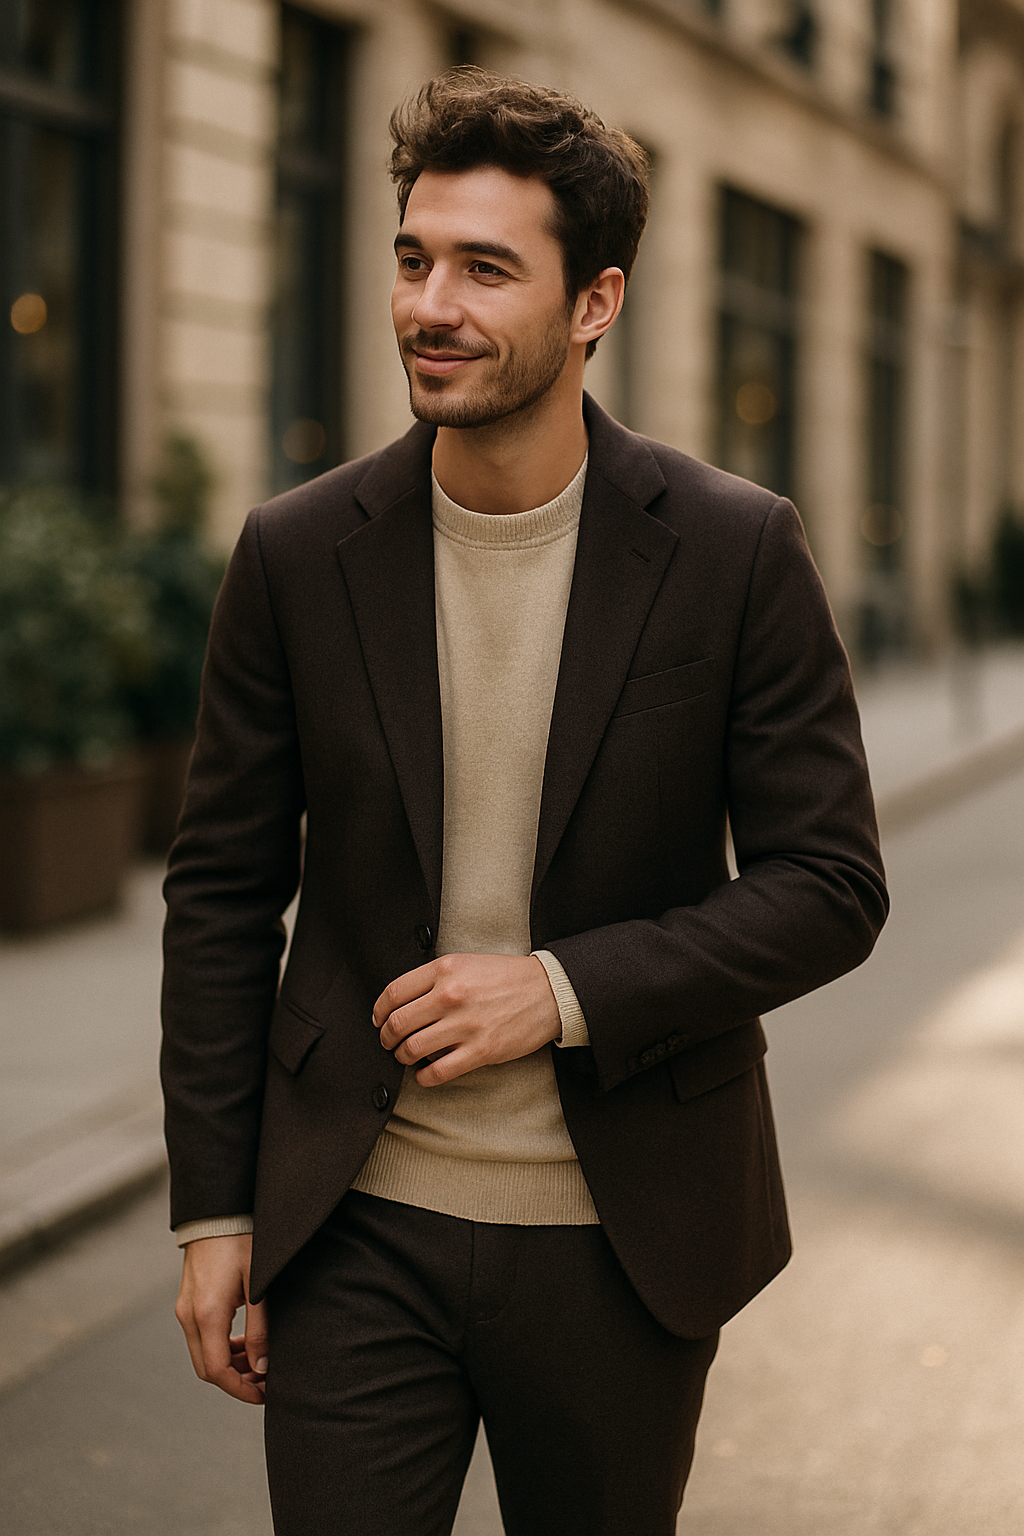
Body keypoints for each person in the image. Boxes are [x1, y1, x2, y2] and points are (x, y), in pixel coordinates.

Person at [163, 68, 888, 1536]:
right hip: (353, 1221)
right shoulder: (297, 555)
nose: (433, 304)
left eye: (488, 269)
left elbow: (830, 884)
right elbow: (222, 893)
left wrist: (556, 992)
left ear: (596, 304)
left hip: (624, 1241)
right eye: (415, 258)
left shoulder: (735, 552)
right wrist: (215, 1211)